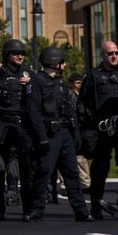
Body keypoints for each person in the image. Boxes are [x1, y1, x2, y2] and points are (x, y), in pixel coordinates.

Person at [26, 47, 92, 222]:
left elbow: (70, 112)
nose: (64, 65)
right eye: (62, 62)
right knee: (44, 172)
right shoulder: (37, 82)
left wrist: (75, 135)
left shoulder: (61, 85)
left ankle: (81, 211)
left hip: (64, 135)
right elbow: (34, 112)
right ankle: (37, 210)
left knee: (72, 173)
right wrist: (41, 137)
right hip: (48, 134)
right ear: (55, 63)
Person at [0, 39, 35, 221]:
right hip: (3, 124)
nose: (20, 56)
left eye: (22, 53)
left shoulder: (29, 73)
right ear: (7, 55)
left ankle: (29, 210)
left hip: (23, 125)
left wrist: (29, 83)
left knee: (27, 168)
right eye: (16, 53)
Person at [80, 40, 118, 219]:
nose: (114, 56)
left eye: (116, 53)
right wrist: (90, 125)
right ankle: (96, 206)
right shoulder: (93, 75)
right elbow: (83, 103)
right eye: (110, 53)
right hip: (101, 129)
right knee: (100, 168)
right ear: (102, 55)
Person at [67, 73, 91, 190]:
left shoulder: (84, 95)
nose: (79, 85)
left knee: (81, 158)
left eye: (80, 83)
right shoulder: (68, 95)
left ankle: (85, 184)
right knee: (67, 157)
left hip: (80, 129)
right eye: (77, 83)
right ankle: (66, 185)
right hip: (70, 129)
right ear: (72, 84)